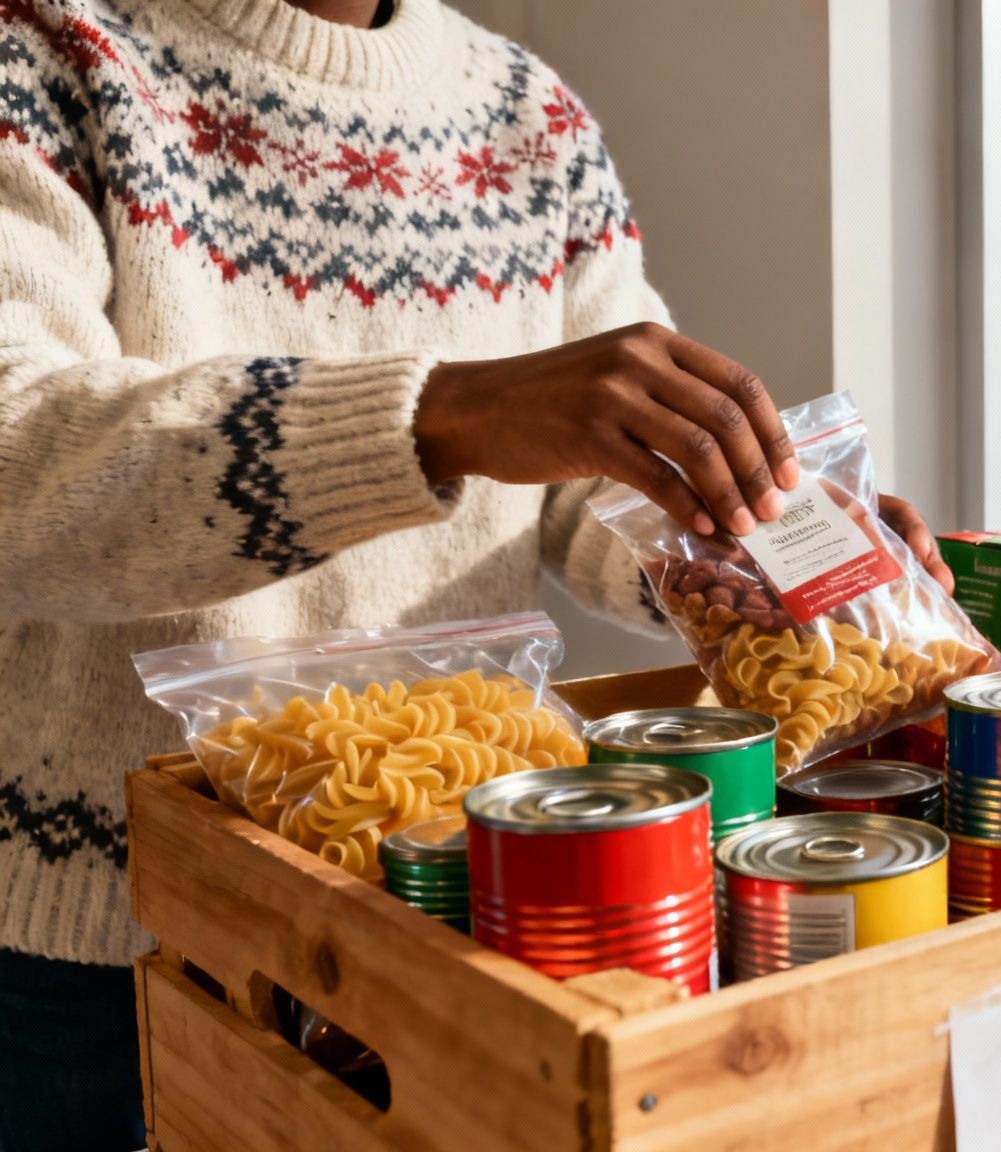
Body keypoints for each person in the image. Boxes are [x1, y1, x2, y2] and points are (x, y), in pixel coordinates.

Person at [0, 1, 951, 1147]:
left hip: (468, 894)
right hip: (104, 929)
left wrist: (746, 565)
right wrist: (438, 416)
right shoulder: (47, 47)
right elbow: (16, 457)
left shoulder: (527, 114)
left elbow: (588, 484)